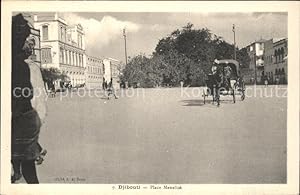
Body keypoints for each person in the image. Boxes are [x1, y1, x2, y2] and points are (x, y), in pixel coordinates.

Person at [11, 14, 47, 184]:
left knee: (27, 170)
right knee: (29, 171)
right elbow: (39, 103)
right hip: (22, 125)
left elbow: (35, 100)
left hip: (21, 126)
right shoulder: (28, 67)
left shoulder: (28, 67)